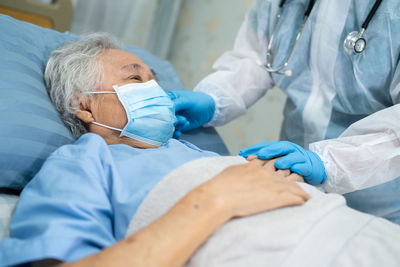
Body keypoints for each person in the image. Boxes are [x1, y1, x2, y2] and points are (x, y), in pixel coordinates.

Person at [0, 33, 309, 267]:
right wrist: (214, 200)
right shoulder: (81, 164)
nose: (156, 91)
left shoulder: (195, 152)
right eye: (135, 78)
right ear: (83, 105)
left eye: (155, 81)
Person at [167, 0, 400, 222]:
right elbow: (259, 55)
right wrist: (215, 97)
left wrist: (329, 163)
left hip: (378, 204)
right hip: (292, 186)